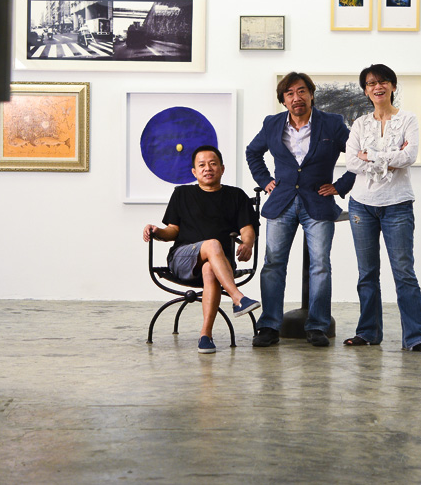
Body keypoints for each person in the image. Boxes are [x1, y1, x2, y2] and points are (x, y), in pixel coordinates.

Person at [246, 72, 355, 347]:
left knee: (320, 265)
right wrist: (264, 180)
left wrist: (340, 186)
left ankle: (317, 326)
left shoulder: (331, 123)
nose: (297, 98)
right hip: (281, 202)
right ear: (283, 100)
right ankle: (269, 326)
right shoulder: (272, 124)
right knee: (273, 264)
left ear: (311, 94)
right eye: (290, 93)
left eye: (302, 91)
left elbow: (357, 154)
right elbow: (252, 152)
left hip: (317, 202)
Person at [343, 63, 421, 354]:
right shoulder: (360, 123)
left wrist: (369, 155)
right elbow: (351, 162)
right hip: (361, 205)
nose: (377, 87)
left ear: (393, 86)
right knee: (367, 273)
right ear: (365, 91)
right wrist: (387, 157)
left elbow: (409, 156)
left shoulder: (408, 119)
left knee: (404, 272)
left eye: (383, 81)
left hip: (397, 204)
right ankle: (368, 332)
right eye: (371, 83)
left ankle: (416, 337)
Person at [143, 145, 260, 354]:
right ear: (194, 172)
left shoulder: (236, 195)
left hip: (220, 264)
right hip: (183, 258)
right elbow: (172, 231)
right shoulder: (182, 193)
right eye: (202, 165)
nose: (208, 168)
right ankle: (238, 298)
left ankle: (205, 336)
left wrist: (247, 244)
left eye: (213, 164)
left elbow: (247, 229)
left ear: (222, 169)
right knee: (212, 244)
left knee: (209, 269)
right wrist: (157, 231)